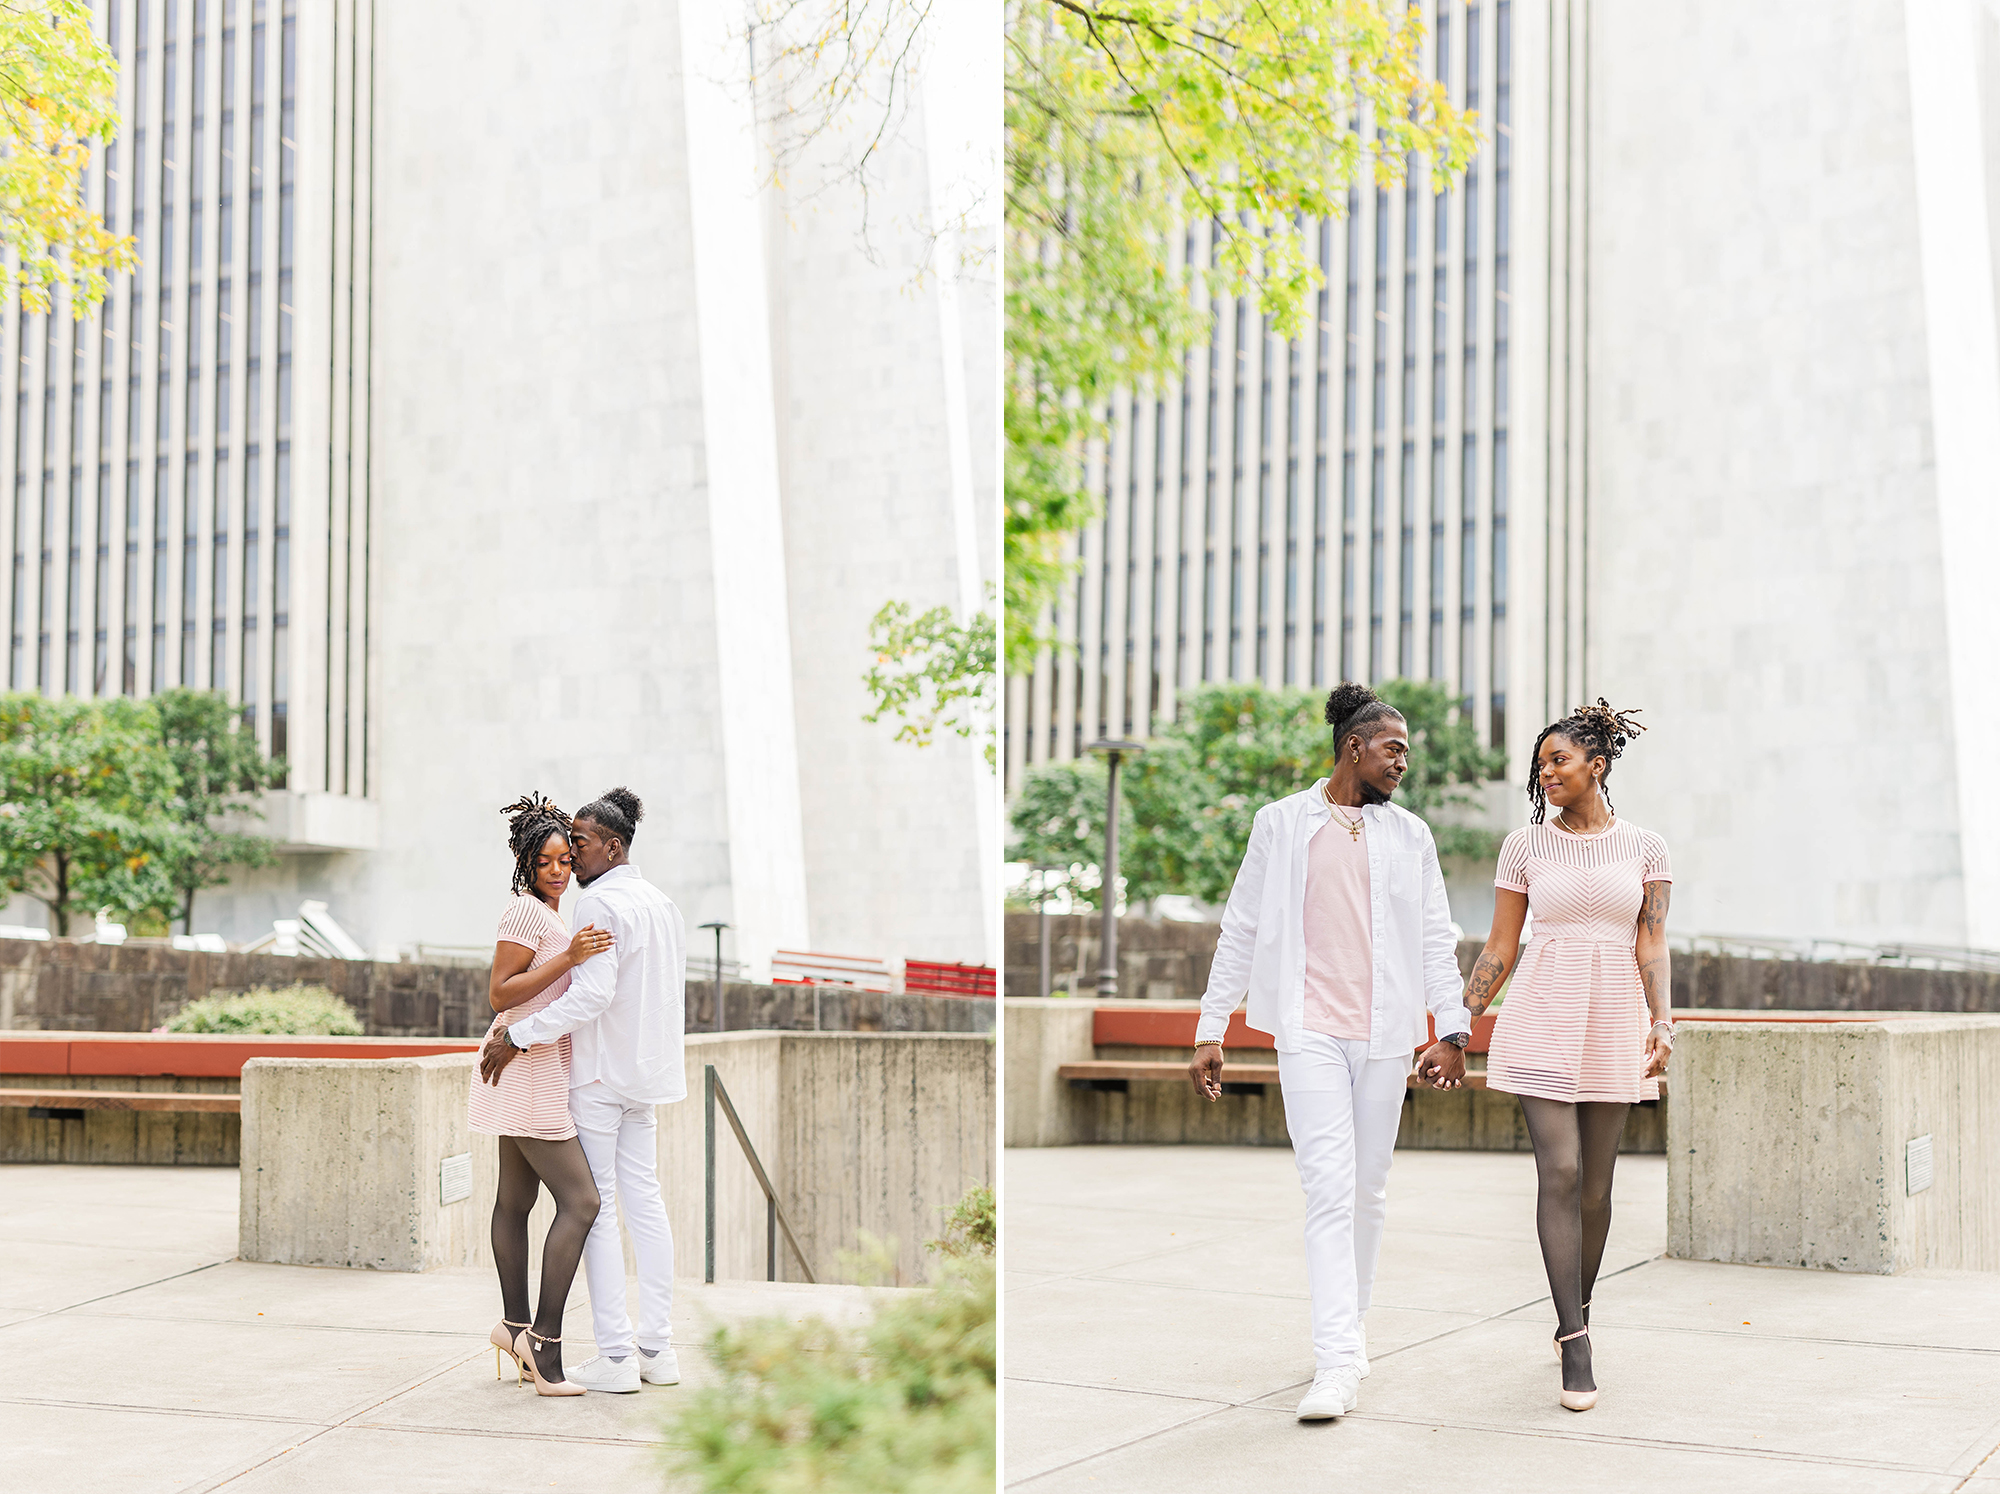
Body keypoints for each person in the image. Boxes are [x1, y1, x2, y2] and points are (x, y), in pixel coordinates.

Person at [1187, 682, 1472, 1422]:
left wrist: (1453, 1030)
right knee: (1327, 1189)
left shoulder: (1410, 836)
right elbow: (1242, 926)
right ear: (1354, 746)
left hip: (1386, 1036)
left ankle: (1354, 1327)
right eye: (1393, 749)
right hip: (1308, 1031)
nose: (1403, 763)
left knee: (1368, 1190)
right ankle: (1336, 1359)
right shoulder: (1281, 823)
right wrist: (1211, 1028)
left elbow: (1435, 940)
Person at [1426, 700, 1671, 1413]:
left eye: (1558, 761)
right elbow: (1501, 947)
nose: (1546, 775)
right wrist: (1457, 1027)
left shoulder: (1647, 847)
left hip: (1613, 1019)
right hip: (1541, 1013)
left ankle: (1577, 1307)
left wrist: (1662, 1021)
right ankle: (1575, 1338)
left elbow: (1651, 942)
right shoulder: (1524, 847)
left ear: (1598, 765)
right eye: (1540, 766)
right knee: (1560, 1171)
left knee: (1596, 1188)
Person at [479, 787, 687, 1394]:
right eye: (558, 851)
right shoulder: (663, 904)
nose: (570, 856)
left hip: (597, 1075)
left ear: (612, 847)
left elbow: (592, 994)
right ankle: (658, 1349)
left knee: (594, 1207)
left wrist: (520, 1036)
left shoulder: (598, 903)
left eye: (578, 845)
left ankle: (617, 1355)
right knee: (643, 1204)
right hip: (645, 1076)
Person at [469, 793, 616, 1397]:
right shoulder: (525, 912)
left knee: (515, 1199)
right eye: (544, 862)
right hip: (525, 1067)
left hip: (531, 1061)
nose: (557, 871)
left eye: (564, 859)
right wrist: (570, 957)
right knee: (581, 1201)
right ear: (525, 864)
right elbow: (500, 993)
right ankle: (545, 1346)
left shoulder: (550, 914)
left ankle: (512, 1326)